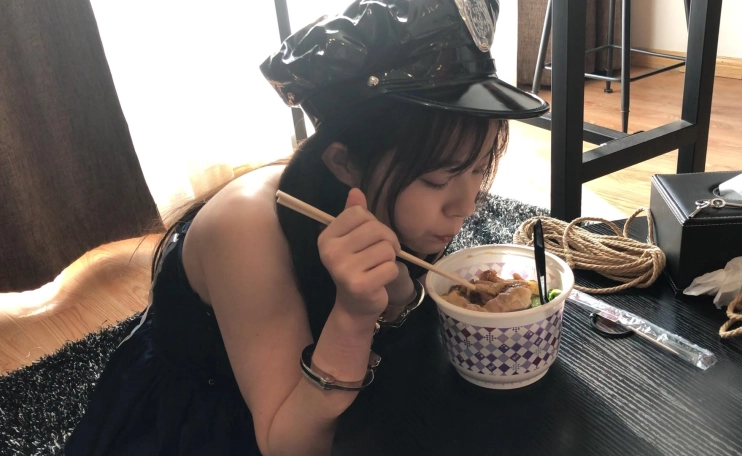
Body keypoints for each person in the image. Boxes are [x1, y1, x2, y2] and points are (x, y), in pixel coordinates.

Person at [65, 0, 547, 454]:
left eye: (478, 169)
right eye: (437, 179)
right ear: (345, 163)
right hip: (212, 417)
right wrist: (353, 318)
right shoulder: (245, 232)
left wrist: (402, 295)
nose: (466, 205)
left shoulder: (395, 202)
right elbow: (288, 443)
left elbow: (404, 320)